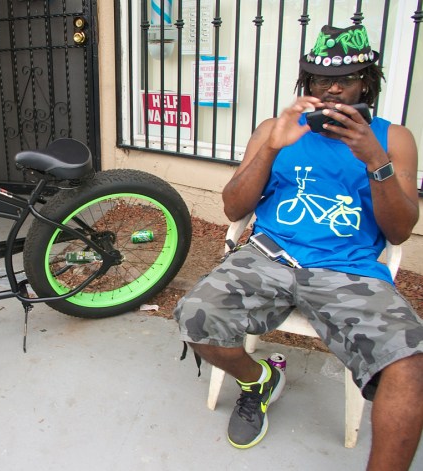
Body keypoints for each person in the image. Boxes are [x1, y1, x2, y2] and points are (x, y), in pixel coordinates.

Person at [173, 24, 422, 470]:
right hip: (269, 254)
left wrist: (374, 160)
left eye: (345, 79)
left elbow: (400, 231)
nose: (332, 90)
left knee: (409, 365)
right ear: (307, 84)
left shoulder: (394, 138)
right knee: (194, 315)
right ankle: (260, 380)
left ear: (366, 81)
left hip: (349, 270)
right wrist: (271, 147)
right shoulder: (276, 128)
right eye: (321, 80)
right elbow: (234, 206)